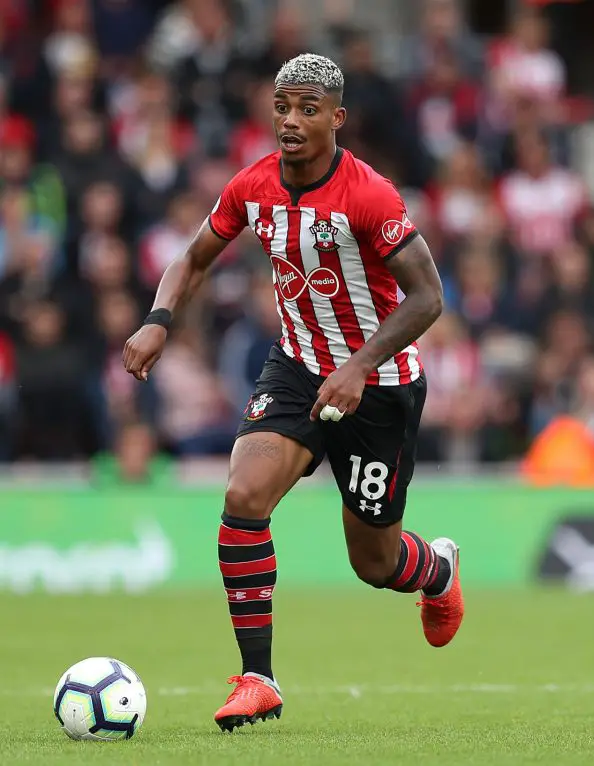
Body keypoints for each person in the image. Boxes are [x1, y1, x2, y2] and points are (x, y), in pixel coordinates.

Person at [123, 53, 464, 732]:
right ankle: (259, 679)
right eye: (282, 107)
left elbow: (429, 297)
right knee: (244, 496)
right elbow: (193, 257)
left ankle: (437, 572)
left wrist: (359, 365)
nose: (291, 121)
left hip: (380, 384)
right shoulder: (252, 186)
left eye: (308, 109)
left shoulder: (370, 195)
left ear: (336, 118)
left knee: (375, 562)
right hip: (298, 367)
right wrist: (159, 319)